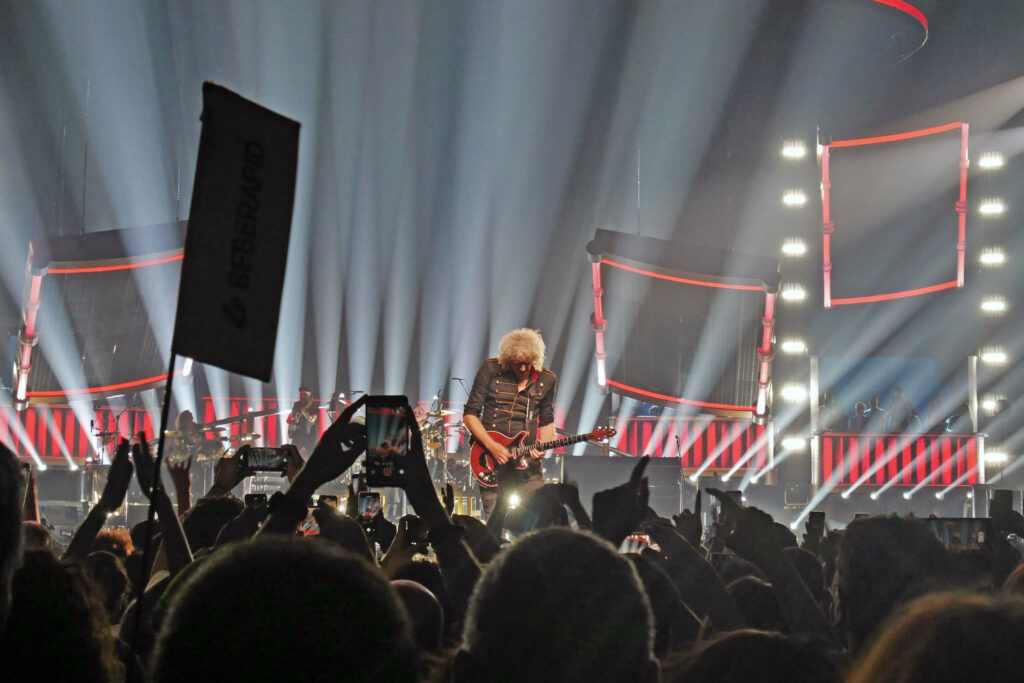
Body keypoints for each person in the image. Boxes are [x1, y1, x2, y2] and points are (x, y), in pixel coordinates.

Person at [462, 328, 558, 519]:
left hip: (527, 462)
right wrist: (492, 446)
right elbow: (470, 415)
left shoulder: (547, 379)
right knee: (494, 521)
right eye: (517, 364)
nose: (523, 369)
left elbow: (547, 421)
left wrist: (543, 447)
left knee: (543, 516)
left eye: (527, 363)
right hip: (490, 459)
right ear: (508, 359)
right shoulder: (490, 369)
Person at [286, 385, 319, 454]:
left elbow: (313, 419)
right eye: (301, 394)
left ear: (309, 394)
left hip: (309, 436)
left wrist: (305, 413)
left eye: (305, 394)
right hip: (298, 435)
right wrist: (290, 429)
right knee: (291, 454)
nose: (302, 396)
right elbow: (290, 418)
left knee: (312, 456)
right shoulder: (296, 404)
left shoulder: (314, 405)